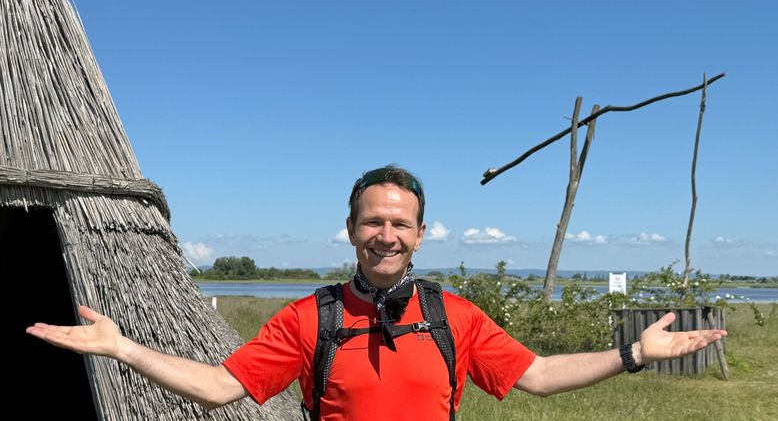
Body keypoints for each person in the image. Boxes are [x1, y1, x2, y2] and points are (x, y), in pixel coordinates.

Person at [27, 165, 727, 420]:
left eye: (400, 223)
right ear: (351, 230)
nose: (386, 234)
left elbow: (539, 376)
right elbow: (218, 388)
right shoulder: (311, 317)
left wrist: (632, 353)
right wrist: (122, 347)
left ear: (420, 235)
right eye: (373, 221)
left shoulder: (453, 316)